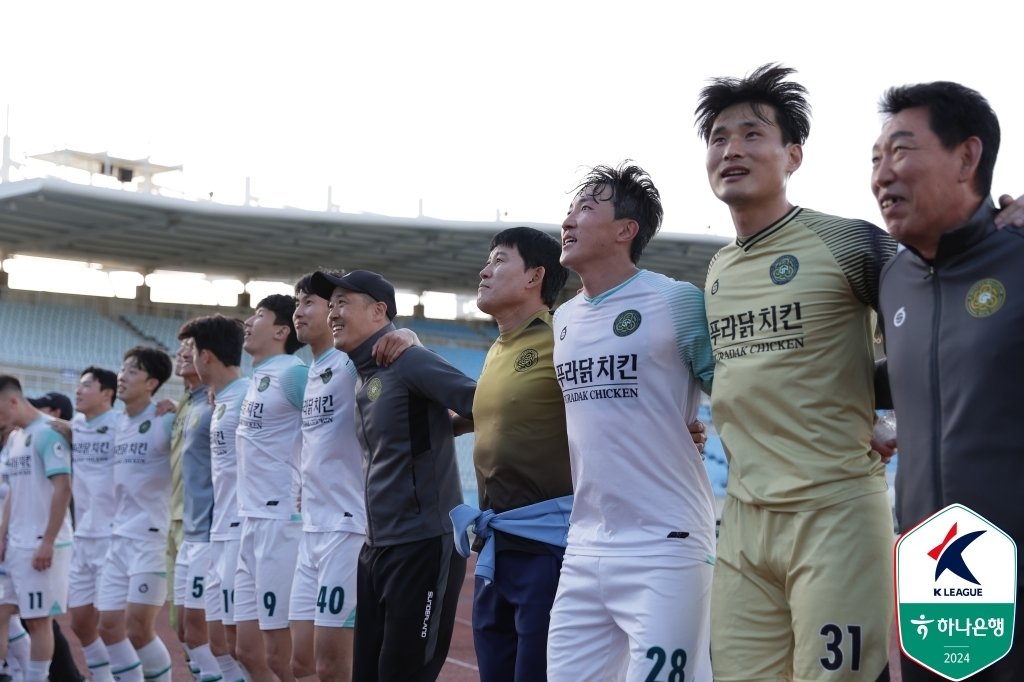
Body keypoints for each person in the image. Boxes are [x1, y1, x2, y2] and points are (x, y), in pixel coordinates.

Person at [694, 63, 899, 681]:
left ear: (794, 155)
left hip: (832, 512)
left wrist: (885, 413)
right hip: (746, 521)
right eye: (719, 137)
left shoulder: (849, 243)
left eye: (753, 135)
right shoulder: (717, 270)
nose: (731, 150)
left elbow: (934, 335)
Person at [871, 80, 1024, 681]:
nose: (884, 174)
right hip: (940, 587)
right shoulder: (895, 281)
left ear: (967, 157)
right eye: (875, 159)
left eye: (902, 151)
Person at [547, 163, 716, 682]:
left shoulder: (676, 300)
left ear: (626, 230)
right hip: (585, 542)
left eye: (585, 209)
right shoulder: (564, 318)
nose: (568, 221)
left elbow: (736, 390)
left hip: (666, 541)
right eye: (570, 210)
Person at [310, 269, 475, 682]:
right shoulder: (363, 373)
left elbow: (480, 401)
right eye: (330, 305)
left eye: (343, 303)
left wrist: (412, 338)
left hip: (421, 544)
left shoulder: (407, 361)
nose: (332, 313)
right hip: (376, 546)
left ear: (379, 309)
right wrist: (436, 429)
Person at [447, 226, 572, 682]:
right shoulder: (496, 349)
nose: (484, 270)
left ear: (534, 276)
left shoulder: (565, 335)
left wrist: (685, 427)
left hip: (548, 548)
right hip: (496, 545)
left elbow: (615, 397)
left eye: (499, 260)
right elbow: (492, 413)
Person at [288, 272, 416, 682]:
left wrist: (410, 336)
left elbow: (399, 349)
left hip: (348, 529)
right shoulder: (311, 369)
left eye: (310, 302)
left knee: (333, 666)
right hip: (311, 529)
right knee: (300, 664)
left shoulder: (351, 360)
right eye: (297, 303)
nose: (299, 312)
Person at [233, 294, 307, 682]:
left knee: (283, 657)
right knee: (246, 650)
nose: (248, 321)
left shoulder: (294, 373)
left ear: (281, 330)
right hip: (249, 521)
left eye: (258, 315)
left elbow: (329, 430)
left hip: (281, 523)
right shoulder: (257, 379)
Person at [96, 346, 176, 682]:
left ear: (152, 383)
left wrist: (179, 405)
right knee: (109, 627)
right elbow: (82, 426)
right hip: (119, 537)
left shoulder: (164, 419)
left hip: (151, 538)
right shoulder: (116, 424)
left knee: (138, 629)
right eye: (123, 367)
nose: (122, 375)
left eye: (133, 371)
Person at [187, 314, 249, 682]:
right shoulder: (222, 399)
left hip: (246, 532)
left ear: (205, 356)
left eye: (192, 351)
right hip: (220, 532)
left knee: (250, 649)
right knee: (220, 643)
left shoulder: (248, 395)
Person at [0, 376, 73, 682]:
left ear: (13, 401)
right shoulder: (15, 437)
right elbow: (14, 491)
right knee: (2, 614)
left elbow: (63, 489)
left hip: (41, 544)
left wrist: (48, 541)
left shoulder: (48, 433)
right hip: (16, 543)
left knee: (38, 621)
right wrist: (2, 535)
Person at [169, 330, 221, 681]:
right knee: (183, 628)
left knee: (207, 631)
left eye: (192, 347)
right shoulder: (186, 402)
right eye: (182, 347)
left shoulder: (217, 401)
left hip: (208, 530)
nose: (183, 353)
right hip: (180, 526)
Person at [66, 367, 120, 682]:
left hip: (113, 536)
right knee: (80, 623)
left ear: (107, 393)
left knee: (112, 625)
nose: (79, 390)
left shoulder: (122, 424)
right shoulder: (73, 427)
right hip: (82, 535)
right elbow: (51, 424)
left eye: (87, 385)